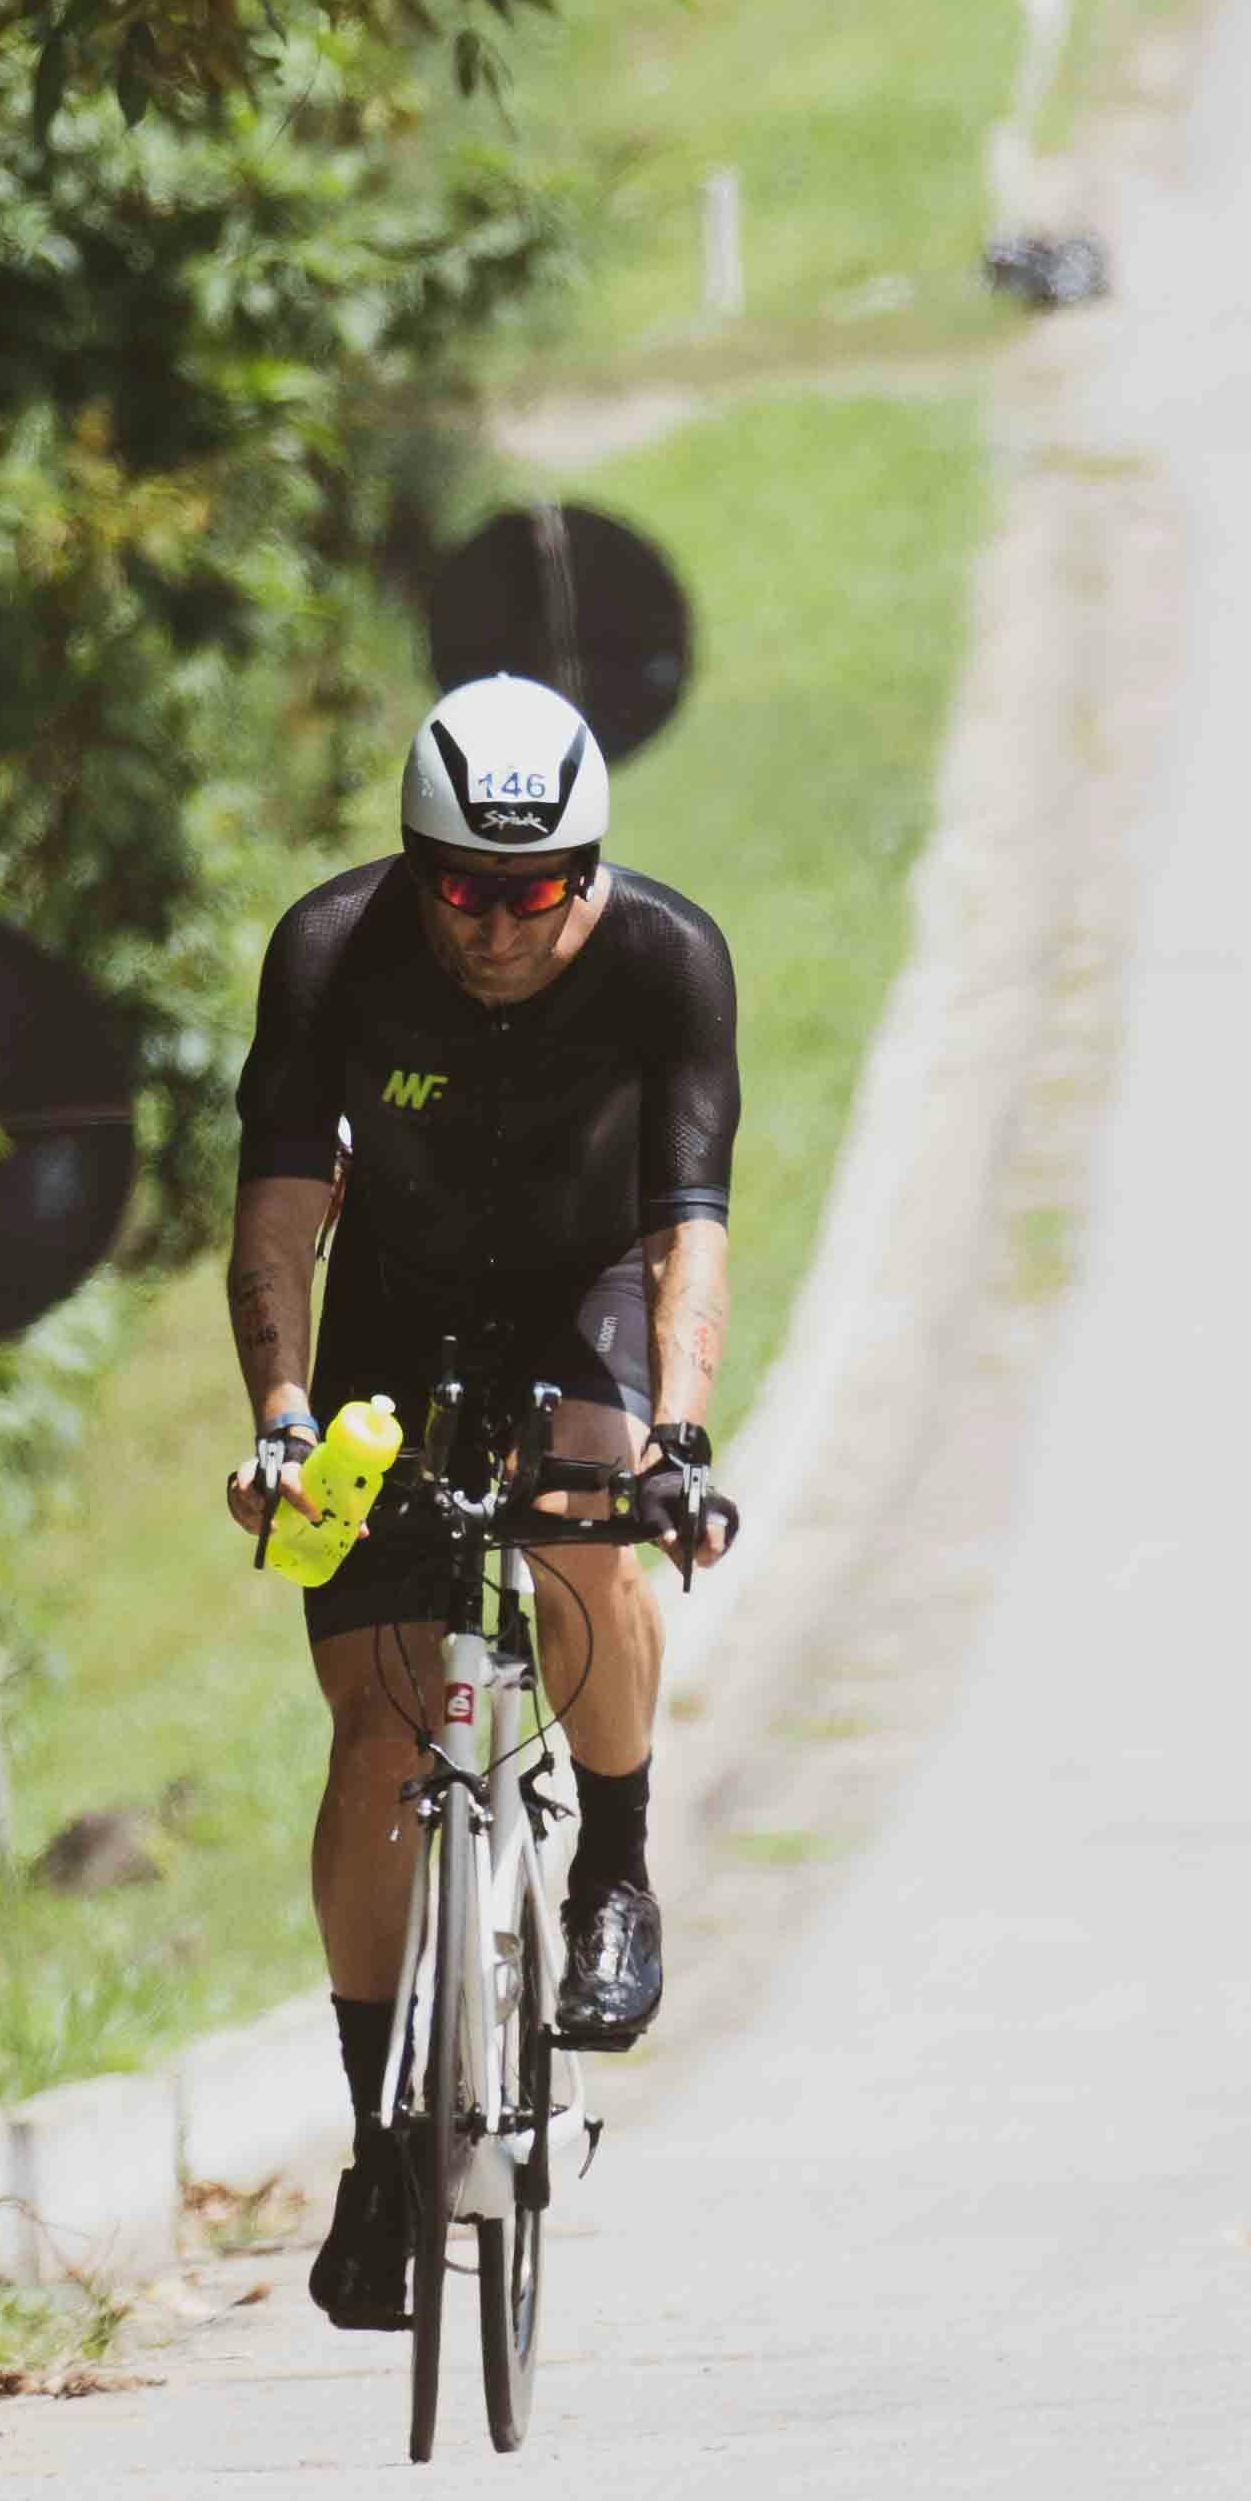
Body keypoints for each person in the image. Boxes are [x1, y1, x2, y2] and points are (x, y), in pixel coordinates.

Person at [219, 674, 740, 2331]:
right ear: (414, 864)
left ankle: (615, 1872)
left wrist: (681, 1442)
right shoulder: (331, 952)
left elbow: (689, 1230)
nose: (501, 928)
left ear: (588, 870)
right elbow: (282, 1216)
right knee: (376, 1735)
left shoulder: (669, 959)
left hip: (585, 1287)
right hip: (392, 1313)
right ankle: (381, 2154)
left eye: (536, 893)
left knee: (593, 1505)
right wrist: (286, 1422)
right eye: (464, 890)